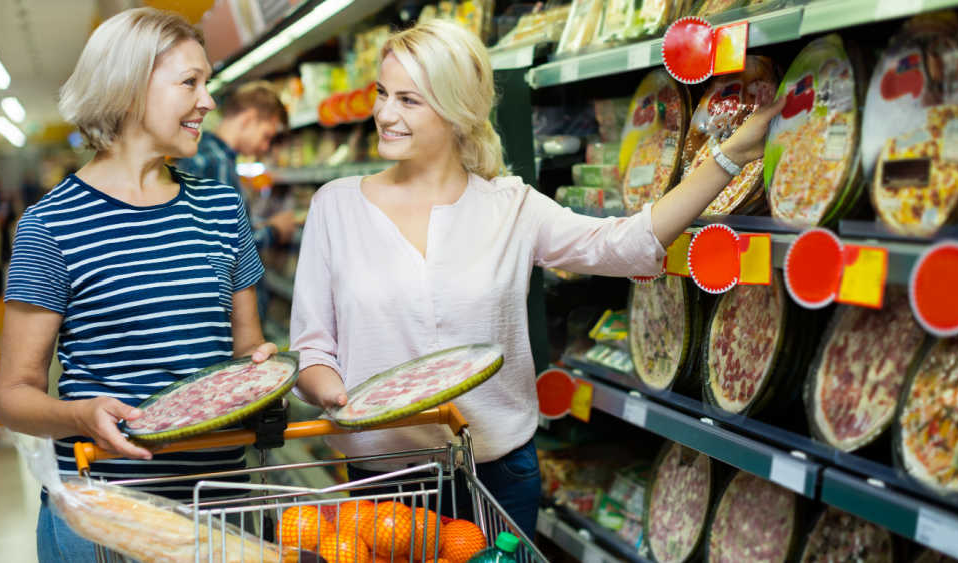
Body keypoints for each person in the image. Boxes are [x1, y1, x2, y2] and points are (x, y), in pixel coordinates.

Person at [289, 19, 784, 539]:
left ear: (457, 110)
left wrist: (730, 157)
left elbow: (625, 244)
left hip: (494, 476)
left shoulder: (510, 206)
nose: (385, 114)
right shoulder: (336, 206)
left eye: (409, 101)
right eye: (383, 93)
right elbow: (313, 346)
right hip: (384, 482)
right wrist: (335, 394)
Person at [0, 8, 276, 561]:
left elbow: (246, 349)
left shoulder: (221, 207)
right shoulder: (52, 224)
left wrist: (262, 371)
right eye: (190, 83)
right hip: (104, 514)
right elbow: (13, 396)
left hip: (218, 506)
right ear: (127, 90)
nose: (208, 101)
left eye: (208, 84)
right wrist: (79, 416)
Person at [177, 81, 297, 318]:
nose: (265, 146)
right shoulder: (218, 162)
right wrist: (275, 230)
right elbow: (225, 249)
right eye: (266, 136)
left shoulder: (207, 154)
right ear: (248, 119)